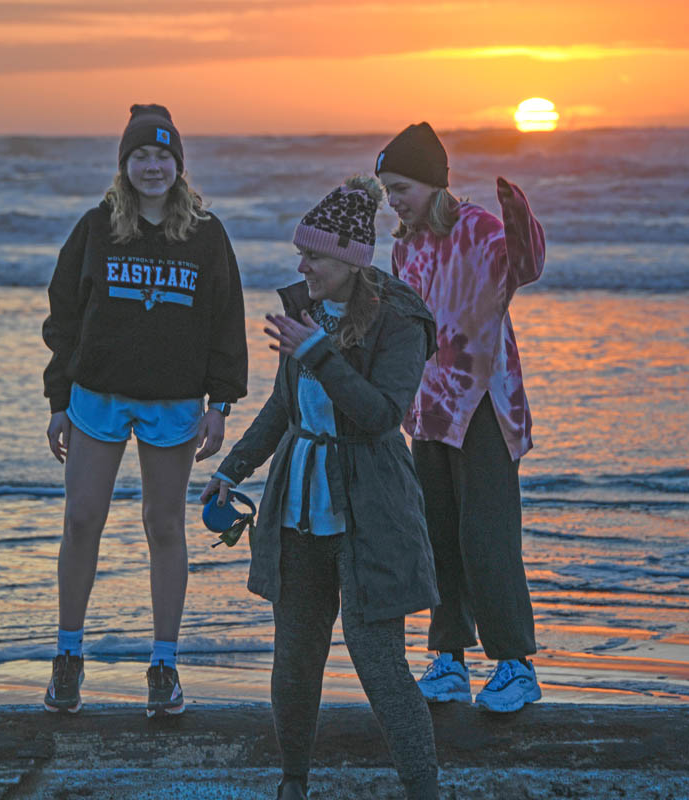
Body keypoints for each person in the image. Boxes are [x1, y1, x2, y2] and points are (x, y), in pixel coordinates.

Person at [202, 176, 441, 800]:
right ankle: (293, 784)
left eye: (313, 256)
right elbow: (284, 409)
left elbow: (382, 415)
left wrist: (319, 354)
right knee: (295, 661)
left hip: (373, 509)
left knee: (380, 665)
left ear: (351, 262)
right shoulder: (302, 314)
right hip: (296, 509)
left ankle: (424, 789)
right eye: (300, 253)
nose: (301, 265)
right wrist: (233, 468)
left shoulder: (400, 321)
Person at [41, 103, 247, 717]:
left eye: (162, 155)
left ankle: (164, 663)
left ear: (178, 165)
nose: (151, 166)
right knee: (82, 519)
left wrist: (223, 403)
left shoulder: (206, 233)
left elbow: (225, 320)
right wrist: (58, 400)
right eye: (140, 155)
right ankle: (68, 655)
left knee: (164, 526)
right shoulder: (96, 228)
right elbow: (64, 316)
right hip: (97, 396)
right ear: (124, 164)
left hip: (175, 401)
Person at [375, 122, 545, 713]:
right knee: (436, 536)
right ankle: (447, 659)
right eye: (387, 190)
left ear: (431, 182)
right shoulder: (405, 246)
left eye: (401, 187)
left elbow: (524, 268)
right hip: (426, 408)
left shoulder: (479, 228)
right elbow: (400, 327)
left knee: (486, 536)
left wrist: (518, 217)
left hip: (483, 407)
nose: (393, 200)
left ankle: (515, 664)